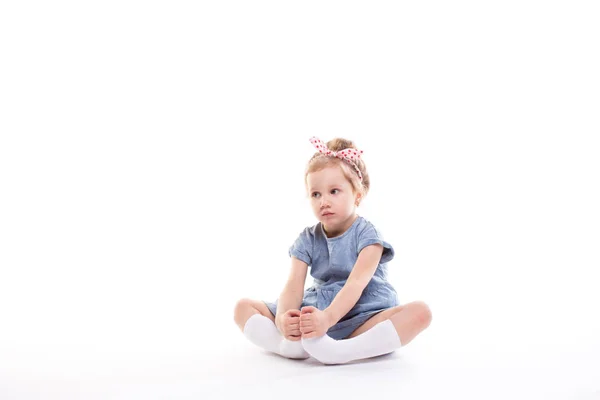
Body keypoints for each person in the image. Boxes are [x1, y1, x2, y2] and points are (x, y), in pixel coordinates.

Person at [233, 136, 432, 364]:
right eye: (315, 194)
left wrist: (328, 318)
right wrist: (283, 319)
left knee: (420, 312)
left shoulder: (368, 236)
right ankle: (287, 345)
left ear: (357, 195)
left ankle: (344, 350)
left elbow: (355, 284)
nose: (323, 201)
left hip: (362, 315)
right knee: (243, 307)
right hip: (318, 311)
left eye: (334, 191)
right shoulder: (307, 238)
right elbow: (293, 286)